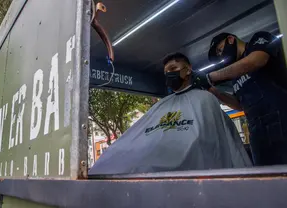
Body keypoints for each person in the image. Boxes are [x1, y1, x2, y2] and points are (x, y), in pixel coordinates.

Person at [88, 53, 251, 175]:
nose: (169, 74)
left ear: (188, 70)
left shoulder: (205, 100)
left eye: (173, 69)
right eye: (166, 71)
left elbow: (221, 144)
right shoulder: (163, 105)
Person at [192, 31, 287, 166]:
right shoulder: (236, 76)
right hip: (257, 131)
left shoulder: (259, 41)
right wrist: (210, 89)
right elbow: (239, 105)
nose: (221, 55)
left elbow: (257, 60)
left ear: (231, 39)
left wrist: (210, 77)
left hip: (282, 120)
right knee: (266, 177)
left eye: (220, 50)